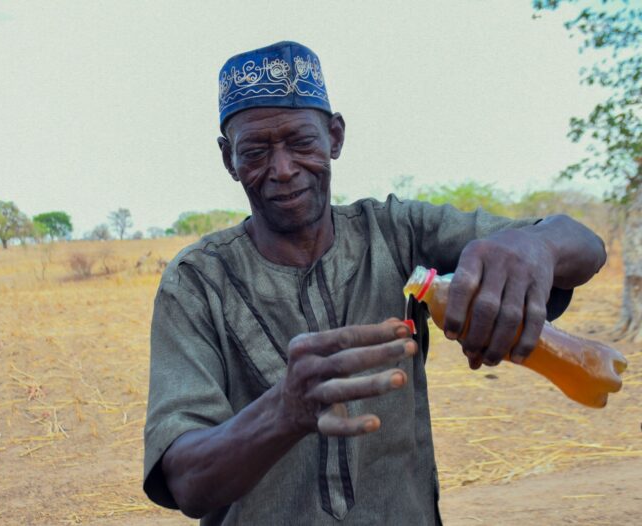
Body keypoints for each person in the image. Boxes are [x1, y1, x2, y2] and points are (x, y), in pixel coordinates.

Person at [142, 41, 606, 525]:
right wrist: (282, 411)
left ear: (335, 137)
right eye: (255, 151)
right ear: (228, 160)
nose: (282, 170)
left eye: (301, 143)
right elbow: (186, 481)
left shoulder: (395, 232)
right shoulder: (196, 282)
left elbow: (583, 245)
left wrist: (536, 246)